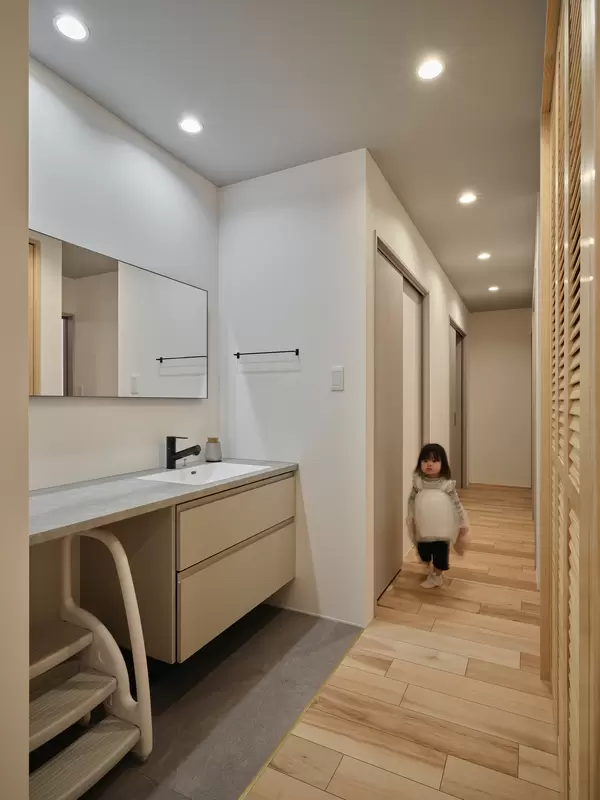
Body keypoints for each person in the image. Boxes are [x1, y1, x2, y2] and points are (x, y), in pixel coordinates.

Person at [406, 443, 470, 588]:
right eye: (425, 460)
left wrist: (462, 523)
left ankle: (437, 576)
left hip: (442, 527)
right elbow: (412, 499)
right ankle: (429, 564)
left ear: (443, 464)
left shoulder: (446, 485)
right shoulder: (418, 483)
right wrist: (410, 515)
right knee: (423, 550)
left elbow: (457, 504)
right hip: (424, 525)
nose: (429, 464)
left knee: (440, 551)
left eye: (434, 461)